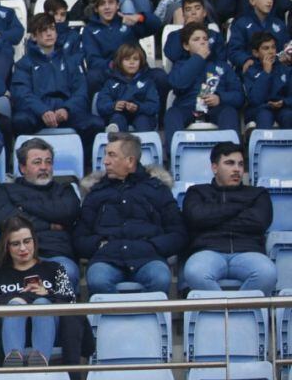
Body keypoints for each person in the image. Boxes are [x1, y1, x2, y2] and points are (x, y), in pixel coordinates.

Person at [74, 132, 186, 295]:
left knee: (160, 277)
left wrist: (153, 246)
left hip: (148, 258)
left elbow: (178, 233)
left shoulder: (157, 190)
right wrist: (99, 245)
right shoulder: (96, 193)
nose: (105, 161)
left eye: (111, 155)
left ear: (130, 161)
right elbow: (79, 238)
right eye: (105, 155)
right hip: (106, 259)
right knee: (97, 279)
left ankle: (148, 320)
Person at [0, 216, 80, 369]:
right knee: (15, 304)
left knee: (41, 303)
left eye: (27, 241)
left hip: (53, 331)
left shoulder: (54, 269)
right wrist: (17, 299)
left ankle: (39, 361)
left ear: (34, 241)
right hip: (8, 332)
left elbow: (71, 303)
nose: (23, 249)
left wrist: (47, 293)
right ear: (6, 247)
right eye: (15, 244)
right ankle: (13, 363)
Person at [180, 141, 277, 294]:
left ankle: (231, 314)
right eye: (229, 163)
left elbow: (258, 223)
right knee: (195, 272)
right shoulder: (197, 192)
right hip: (208, 252)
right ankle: (233, 314)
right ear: (214, 167)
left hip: (248, 252)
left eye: (240, 164)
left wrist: (213, 220)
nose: (236, 169)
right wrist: (239, 207)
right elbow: (196, 218)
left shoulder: (258, 193)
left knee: (267, 273)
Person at [0, 137, 82, 289]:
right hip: (16, 258)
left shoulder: (65, 190)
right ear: (22, 168)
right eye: (37, 162)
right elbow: (5, 221)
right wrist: (49, 224)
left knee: (67, 272)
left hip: (56, 255)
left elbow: (68, 213)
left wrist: (23, 206)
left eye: (48, 162)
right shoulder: (6, 190)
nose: (44, 167)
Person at [11, 13, 98, 138]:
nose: (49, 33)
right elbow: (22, 94)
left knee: (95, 124)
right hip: (37, 114)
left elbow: (81, 92)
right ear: (34, 36)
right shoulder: (24, 64)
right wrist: (43, 111)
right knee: (20, 121)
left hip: (66, 112)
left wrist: (67, 109)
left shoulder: (70, 61)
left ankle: (86, 158)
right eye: (43, 30)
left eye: (52, 29)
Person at [95, 43, 160, 133]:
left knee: (143, 121)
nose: (131, 62)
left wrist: (138, 107)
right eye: (127, 59)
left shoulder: (147, 82)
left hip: (142, 114)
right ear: (119, 62)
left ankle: (144, 144)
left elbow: (154, 106)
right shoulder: (111, 82)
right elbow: (101, 104)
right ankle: (115, 137)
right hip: (118, 114)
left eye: (136, 59)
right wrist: (114, 105)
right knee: (117, 118)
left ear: (141, 62)